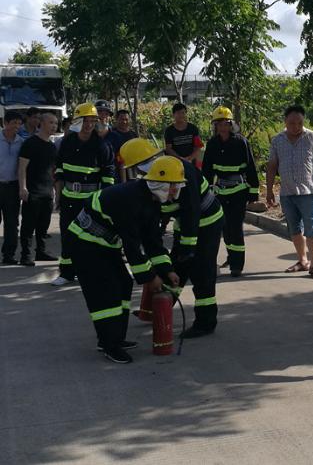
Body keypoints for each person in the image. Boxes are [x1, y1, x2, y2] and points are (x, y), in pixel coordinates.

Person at [69, 155, 183, 363]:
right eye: (173, 186)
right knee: (107, 292)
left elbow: (152, 241)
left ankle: (115, 338)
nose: (176, 191)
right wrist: (150, 278)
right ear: (160, 184)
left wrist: (167, 270)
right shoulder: (130, 200)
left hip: (104, 244)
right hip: (85, 243)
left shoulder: (151, 201)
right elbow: (133, 247)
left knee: (123, 283)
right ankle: (109, 344)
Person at [120, 138, 224, 338]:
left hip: (207, 223)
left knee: (201, 272)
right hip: (185, 224)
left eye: (138, 167)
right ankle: (160, 309)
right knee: (175, 267)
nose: (139, 172)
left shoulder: (180, 170)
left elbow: (191, 212)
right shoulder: (155, 174)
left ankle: (205, 322)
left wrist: (188, 248)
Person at [52, 103, 115, 286]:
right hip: (69, 199)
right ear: (77, 121)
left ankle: (89, 271)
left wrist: (104, 201)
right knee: (68, 236)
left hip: (90, 202)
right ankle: (66, 273)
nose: (88, 125)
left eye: (92, 121)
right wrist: (58, 194)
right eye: (85, 121)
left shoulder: (102, 145)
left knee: (90, 238)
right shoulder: (67, 142)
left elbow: (108, 175)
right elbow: (60, 168)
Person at [266, 105, 313, 280]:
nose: (296, 127)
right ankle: (302, 260)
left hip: (308, 192)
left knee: (312, 228)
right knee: (294, 229)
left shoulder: (312, 137)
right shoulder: (277, 140)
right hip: (287, 193)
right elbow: (272, 166)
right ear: (285, 122)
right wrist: (269, 191)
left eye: (299, 123)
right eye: (292, 123)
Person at [202, 106, 259, 277]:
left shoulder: (241, 142)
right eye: (219, 124)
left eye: (225, 123)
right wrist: (205, 190)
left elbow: (251, 167)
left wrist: (253, 192)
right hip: (220, 192)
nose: (222, 127)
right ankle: (231, 256)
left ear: (231, 124)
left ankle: (237, 265)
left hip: (238, 191)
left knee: (236, 228)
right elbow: (207, 169)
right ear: (215, 126)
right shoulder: (212, 144)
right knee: (225, 228)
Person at [18, 112, 59, 266]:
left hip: (47, 191)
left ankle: (41, 252)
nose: (54, 126)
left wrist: (55, 191)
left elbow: (54, 171)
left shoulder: (52, 146)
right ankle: (26, 255)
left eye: (56, 123)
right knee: (28, 225)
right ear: (41, 123)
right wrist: (23, 187)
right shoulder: (30, 143)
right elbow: (22, 167)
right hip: (33, 191)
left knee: (43, 225)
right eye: (51, 122)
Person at [0, 112, 25, 264]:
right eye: (14, 122)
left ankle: (9, 254)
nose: (17, 126)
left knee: (12, 223)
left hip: (13, 187)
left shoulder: (21, 142)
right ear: (5, 123)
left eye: (19, 123)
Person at [104, 109, 138, 182]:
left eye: (126, 119)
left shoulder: (133, 135)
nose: (124, 122)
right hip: (116, 172)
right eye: (122, 119)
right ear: (116, 120)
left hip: (132, 171)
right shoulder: (111, 135)